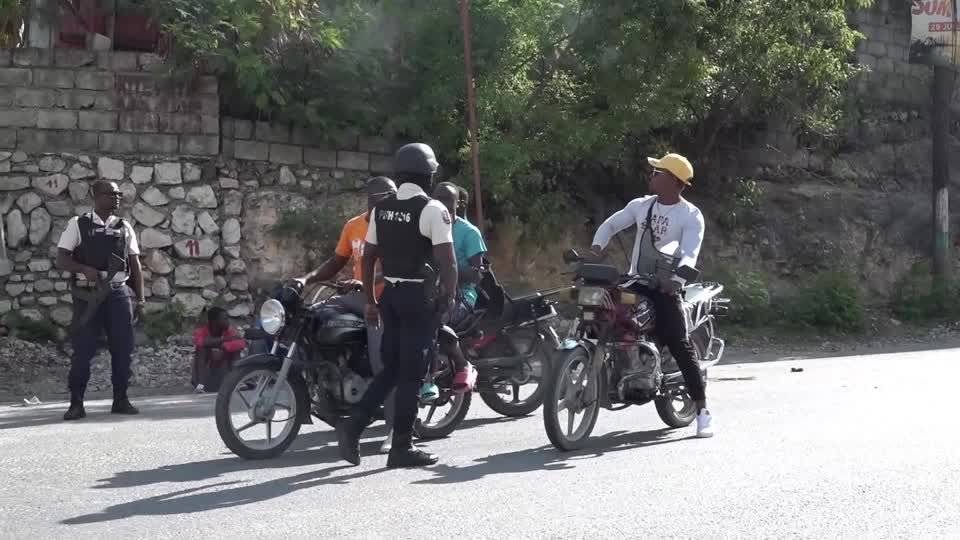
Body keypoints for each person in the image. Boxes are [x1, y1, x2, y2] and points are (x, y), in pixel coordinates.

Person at [336, 142, 458, 468]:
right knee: (412, 375)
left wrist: (372, 300)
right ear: (427, 175)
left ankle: (353, 425)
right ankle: (401, 447)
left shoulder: (382, 209)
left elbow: (370, 257)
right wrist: (450, 297)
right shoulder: (434, 210)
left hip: (389, 296)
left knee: (391, 369)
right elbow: (448, 263)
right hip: (419, 300)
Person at [589, 153, 714, 438]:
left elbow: (690, 254)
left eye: (657, 172)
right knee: (602, 309)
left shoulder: (690, 215)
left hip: (666, 287)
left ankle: (703, 412)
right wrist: (596, 248)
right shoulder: (641, 206)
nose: (651, 175)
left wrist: (676, 280)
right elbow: (610, 226)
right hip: (636, 281)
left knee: (680, 343)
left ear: (672, 180)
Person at [296, 176, 404, 454]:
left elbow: (400, 266)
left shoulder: (398, 226)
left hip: (384, 301)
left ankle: (395, 429)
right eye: (385, 198)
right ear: (370, 200)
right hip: (358, 298)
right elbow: (336, 261)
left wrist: (366, 280)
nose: (390, 203)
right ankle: (325, 387)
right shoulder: (353, 226)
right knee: (313, 318)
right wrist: (305, 279)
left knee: (385, 363)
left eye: (393, 198)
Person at [56, 180, 145, 421]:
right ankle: (76, 403)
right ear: (96, 197)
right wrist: (84, 268)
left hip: (118, 293)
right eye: (111, 194)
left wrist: (141, 299)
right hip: (88, 296)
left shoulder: (124, 226)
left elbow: (134, 264)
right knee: (83, 350)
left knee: (123, 349)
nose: (117, 197)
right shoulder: (78, 224)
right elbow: (62, 260)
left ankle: (121, 399)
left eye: (118, 194)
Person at [433, 182, 485, 391]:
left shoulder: (469, 232)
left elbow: (477, 274)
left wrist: (447, 269)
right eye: (438, 199)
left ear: (458, 203)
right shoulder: (427, 227)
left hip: (462, 295)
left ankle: (463, 366)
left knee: (436, 321)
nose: (443, 205)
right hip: (431, 292)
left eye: (448, 200)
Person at [191, 306, 246, 393]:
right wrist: (225, 339)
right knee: (201, 349)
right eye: (224, 319)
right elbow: (200, 342)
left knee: (235, 350)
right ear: (214, 322)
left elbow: (241, 344)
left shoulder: (229, 330)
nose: (228, 321)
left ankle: (238, 382)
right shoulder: (201, 331)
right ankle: (200, 386)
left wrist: (222, 346)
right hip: (207, 366)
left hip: (223, 364)